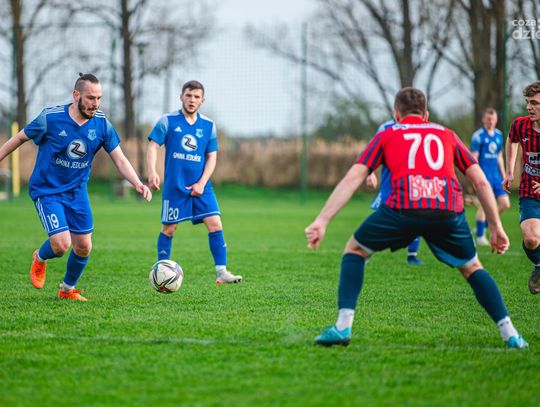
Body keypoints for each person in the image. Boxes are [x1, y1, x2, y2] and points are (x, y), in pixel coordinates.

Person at [305, 87, 528, 349]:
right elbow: (480, 181)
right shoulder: (446, 134)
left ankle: (343, 326)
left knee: (355, 249)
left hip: (402, 209)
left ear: (396, 114)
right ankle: (511, 334)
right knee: (472, 267)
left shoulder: (387, 134)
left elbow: (353, 178)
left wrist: (322, 220)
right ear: (426, 114)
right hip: (447, 212)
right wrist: (495, 225)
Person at [0, 73, 152, 301]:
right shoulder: (50, 118)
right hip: (47, 191)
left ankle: (67, 290)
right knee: (62, 245)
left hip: (77, 192)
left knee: (83, 247)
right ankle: (40, 258)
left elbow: (120, 159)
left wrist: (138, 183)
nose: (95, 103)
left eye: (99, 98)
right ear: (76, 95)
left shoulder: (102, 124)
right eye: (91, 97)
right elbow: (19, 138)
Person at [146, 80, 241, 284]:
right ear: (181, 96)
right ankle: (161, 272)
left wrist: (202, 183)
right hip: (175, 186)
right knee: (169, 229)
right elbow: (153, 147)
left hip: (202, 186)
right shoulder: (167, 121)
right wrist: (152, 172)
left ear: (202, 100)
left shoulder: (208, 125)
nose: (192, 100)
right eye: (188, 95)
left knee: (215, 224)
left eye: (196, 97)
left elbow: (212, 157)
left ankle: (222, 272)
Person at [366, 119, 425, 266]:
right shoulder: (386, 128)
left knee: (417, 218)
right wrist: (370, 172)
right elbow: (372, 151)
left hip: (413, 184)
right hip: (389, 184)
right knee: (378, 220)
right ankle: (363, 253)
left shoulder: (423, 126)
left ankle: (412, 256)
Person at [503, 81, 540, 295]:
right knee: (531, 239)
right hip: (530, 192)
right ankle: (539, 265)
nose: (529, 107)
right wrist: (510, 171)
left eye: (534, 103)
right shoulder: (520, 125)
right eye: (528, 102)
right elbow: (512, 140)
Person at [470, 108, 510, 245]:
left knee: (505, 204)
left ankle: (485, 223)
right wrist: (475, 177)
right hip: (483, 177)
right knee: (484, 206)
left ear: (496, 120)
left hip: (496, 176)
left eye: (493, 119)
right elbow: (474, 158)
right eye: (488, 119)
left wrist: (504, 175)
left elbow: (499, 156)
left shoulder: (499, 135)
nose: (491, 121)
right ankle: (480, 236)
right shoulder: (478, 136)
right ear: (483, 120)